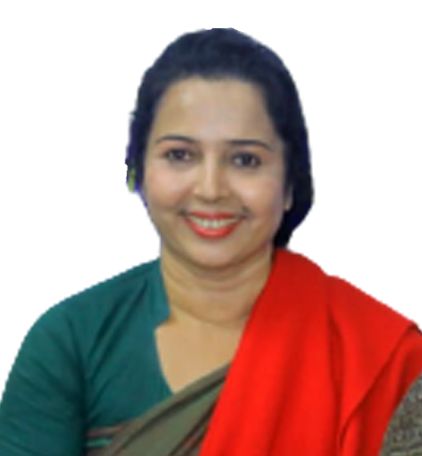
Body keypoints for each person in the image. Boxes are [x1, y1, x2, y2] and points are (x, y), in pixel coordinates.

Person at [0, 27, 421, 456]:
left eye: (245, 160)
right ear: (137, 171)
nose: (211, 189)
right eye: (180, 155)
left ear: (290, 183)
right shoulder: (71, 341)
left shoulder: (380, 357)